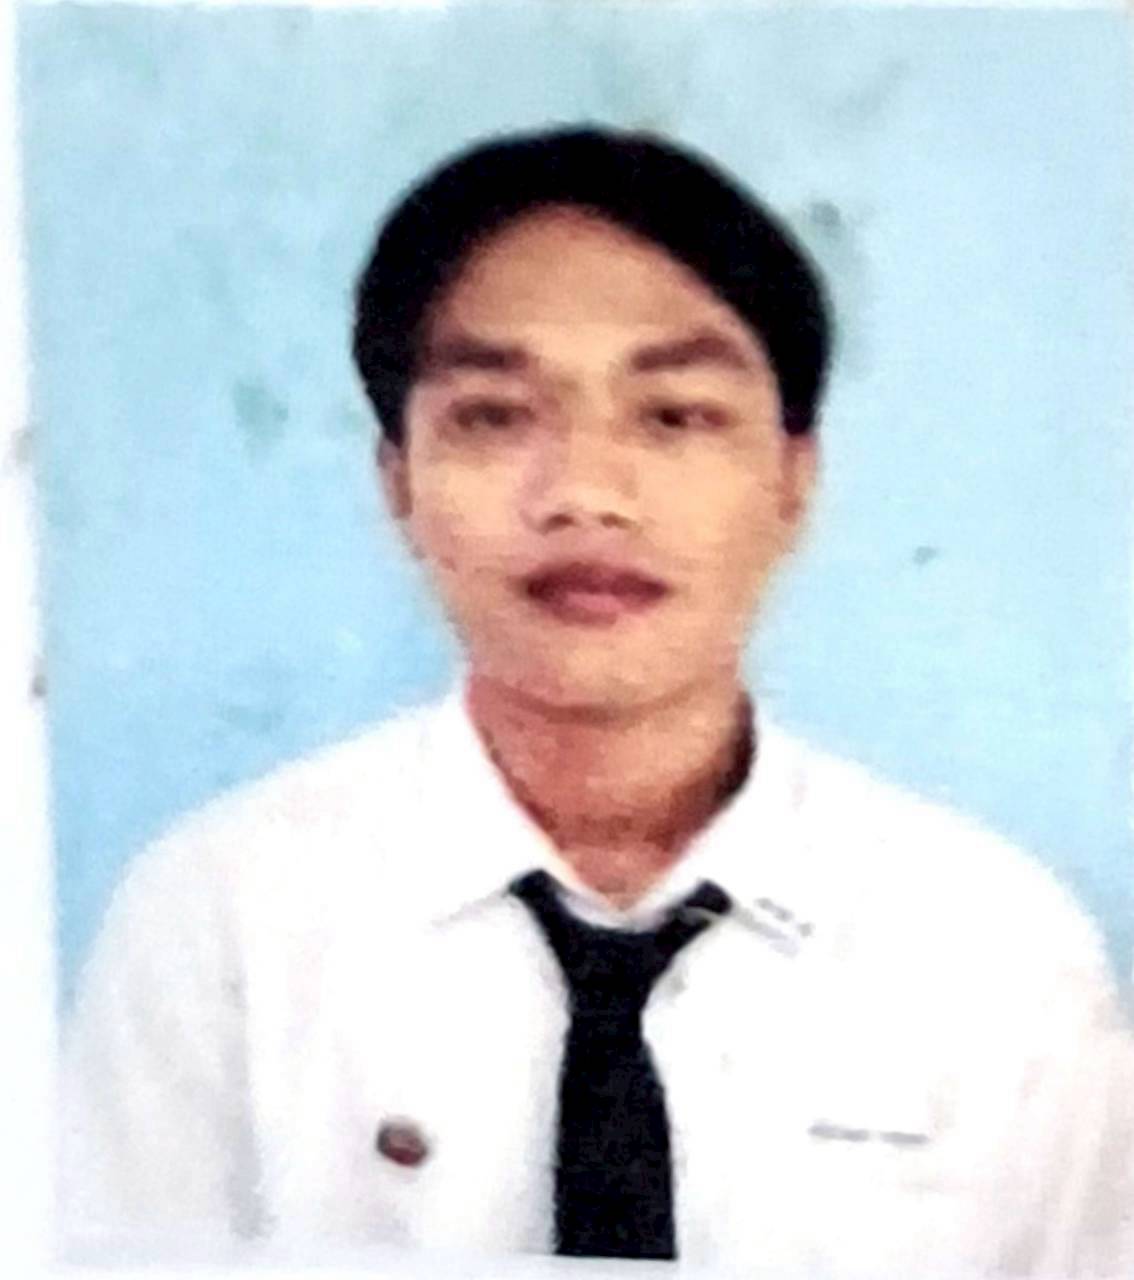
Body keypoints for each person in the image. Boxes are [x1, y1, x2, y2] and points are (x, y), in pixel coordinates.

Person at [61, 127, 1134, 1274]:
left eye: (674, 416)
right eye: (494, 415)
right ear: (398, 481)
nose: (584, 493)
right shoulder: (221, 923)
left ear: (793, 479)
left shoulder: (995, 947)